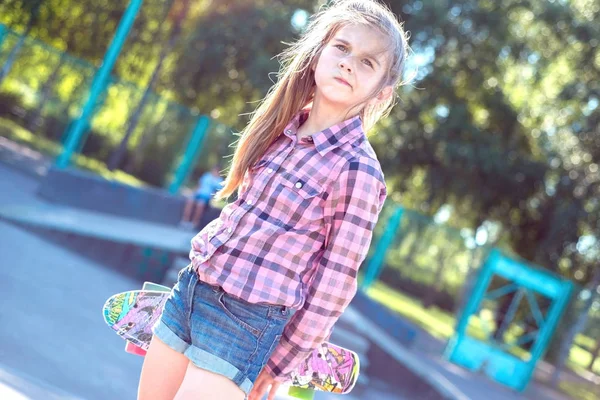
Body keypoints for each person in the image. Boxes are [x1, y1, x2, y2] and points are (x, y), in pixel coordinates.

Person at [138, 1, 410, 399]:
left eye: (368, 62)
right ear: (318, 52)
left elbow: (335, 281)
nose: (349, 63)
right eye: (342, 48)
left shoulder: (357, 170)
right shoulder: (281, 130)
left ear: (381, 93)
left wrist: (285, 360)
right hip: (192, 291)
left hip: (247, 323)